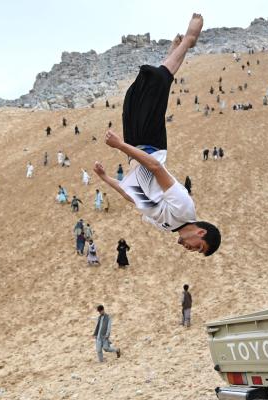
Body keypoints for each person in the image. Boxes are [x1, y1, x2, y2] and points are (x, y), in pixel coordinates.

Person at [93, 13, 220, 257]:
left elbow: (133, 197)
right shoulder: (185, 209)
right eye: (199, 247)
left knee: (139, 91)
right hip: (150, 146)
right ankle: (188, 41)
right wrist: (119, 145)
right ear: (201, 233)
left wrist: (105, 178)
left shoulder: (167, 226)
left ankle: (177, 49)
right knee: (154, 84)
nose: (192, 249)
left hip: (134, 147)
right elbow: (155, 168)